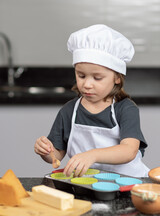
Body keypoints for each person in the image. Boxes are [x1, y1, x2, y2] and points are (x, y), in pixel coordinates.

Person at [34, 24, 149, 177]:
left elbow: (129, 150)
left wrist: (92, 155)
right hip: (87, 185)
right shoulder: (69, 111)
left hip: (127, 184)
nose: (87, 84)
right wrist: (45, 151)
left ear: (116, 77)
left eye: (97, 78)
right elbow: (56, 156)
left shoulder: (125, 109)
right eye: (81, 76)